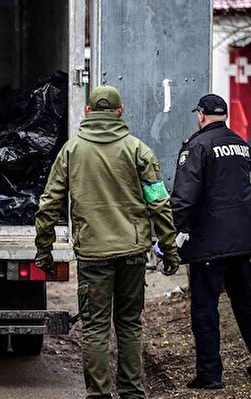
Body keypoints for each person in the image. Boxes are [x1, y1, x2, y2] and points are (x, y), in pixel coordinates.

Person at [35, 85, 179, 399]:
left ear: (87, 112)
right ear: (120, 111)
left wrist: (44, 250)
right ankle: (131, 391)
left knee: (95, 326)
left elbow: (49, 204)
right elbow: (159, 202)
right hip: (132, 252)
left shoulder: (71, 151)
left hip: (93, 254)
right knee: (129, 323)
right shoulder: (138, 150)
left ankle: (98, 394)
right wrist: (169, 248)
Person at [171, 94, 251, 390]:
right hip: (241, 242)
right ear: (225, 116)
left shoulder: (198, 146)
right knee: (245, 304)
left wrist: (168, 236)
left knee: (205, 308)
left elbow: (184, 197)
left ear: (201, 115)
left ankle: (210, 374)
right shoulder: (242, 145)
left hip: (209, 244)